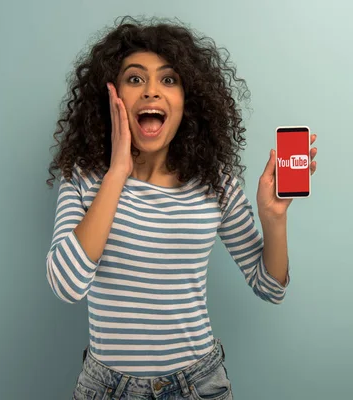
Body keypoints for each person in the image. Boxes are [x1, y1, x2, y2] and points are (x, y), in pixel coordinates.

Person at [45, 16, 317, 400]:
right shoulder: (86, 177)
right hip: (107, 389)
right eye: (135, 78)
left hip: (198, 385)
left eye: (169, 80)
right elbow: (67, 284)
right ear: (113, 95)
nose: (152, 91)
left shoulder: (214, 180)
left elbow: (270, 287)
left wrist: (274, 218)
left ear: (187, 100)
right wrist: (118, 171)